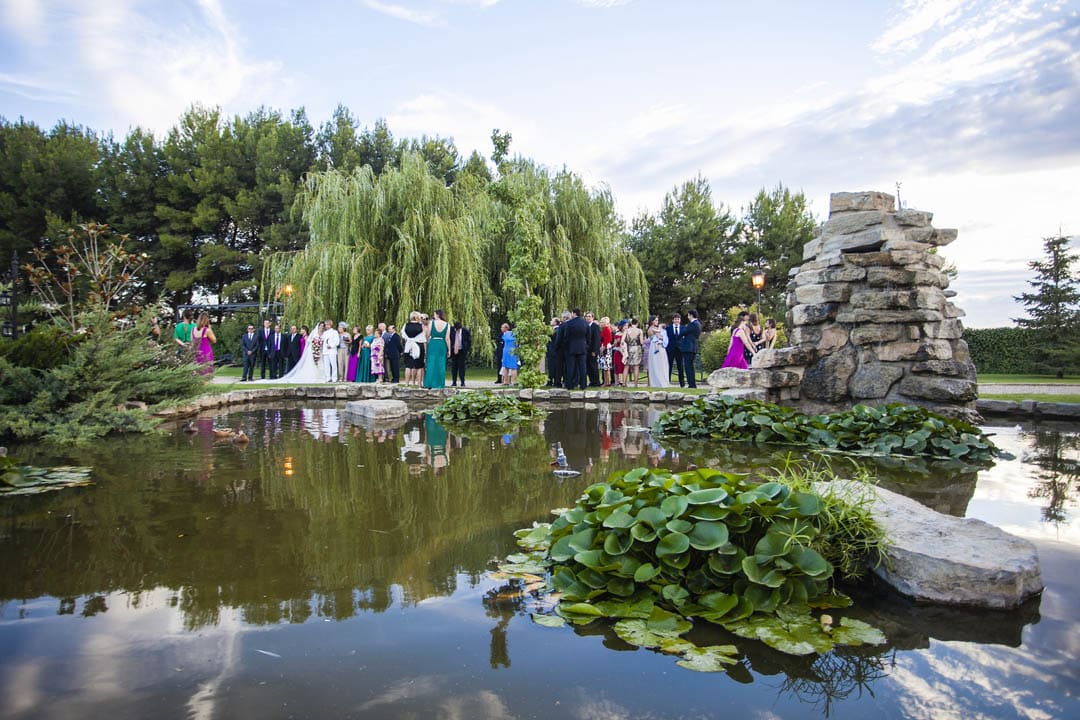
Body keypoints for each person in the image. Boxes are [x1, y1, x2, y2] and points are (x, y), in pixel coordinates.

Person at [562, 308, 589, 390]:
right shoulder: (585, 323)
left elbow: (566, 336)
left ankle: (570, 385)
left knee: (570, 367)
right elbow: (588, 336)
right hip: (582, 347)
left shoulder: (569, 323)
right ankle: (583, 385)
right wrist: (586, 345)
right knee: (582, 367)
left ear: (574, 313)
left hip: (571, 348)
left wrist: (566, 346)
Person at [423, 309, 449, 389]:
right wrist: (449, 350)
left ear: (437, 315)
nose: (433, 316)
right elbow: (447, 338)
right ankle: (440, 384)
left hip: (433, 343)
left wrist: (426, 340)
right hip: (442, 344)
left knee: (431, 363)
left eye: (434, 314)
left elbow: (427, 334)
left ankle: (429, 383)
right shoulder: (447, 324)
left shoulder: (432, 323)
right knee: (441, 364)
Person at [402, 312, 426, 386]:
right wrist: (425, 350)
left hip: (408, 346)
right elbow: (424, 337)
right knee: (419, 366)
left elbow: (404, 336)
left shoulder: (406, 325)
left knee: (408, 366)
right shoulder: (421, 326)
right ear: (417, 317)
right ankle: (419, 384)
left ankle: (406, 383)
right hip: (419, 345)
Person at [646, 316, 670, 388]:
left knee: (662, 363)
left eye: (658, 320)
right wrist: (660, 329)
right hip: (655, 346)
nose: (657, 321)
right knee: (657, 364)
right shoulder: (651, 329)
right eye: (656, 320)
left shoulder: (656, 329)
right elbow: (659, 336)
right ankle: (658, 382)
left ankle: (662, 380)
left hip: (659, 346)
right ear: (652, 321)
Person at [680, 310, 702, 387]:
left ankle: (691, 384)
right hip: (693, 347)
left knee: (688, 367)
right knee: (690, 366)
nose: (688, 317)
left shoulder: (693, 324)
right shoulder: (698, 323)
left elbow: (683, 332)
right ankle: (692, 383)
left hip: (689, 348)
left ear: (691, 315)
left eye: (688, 315)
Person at [621, 317, 644, 387]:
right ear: (637, 323)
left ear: (631, 323)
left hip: (629, 348)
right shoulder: (640, 331)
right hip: (637, 348)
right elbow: (641, 342)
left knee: (626, 366)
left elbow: (622, 341)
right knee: (636, 366)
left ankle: (624, 383)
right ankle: (635, 384)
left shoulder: (627, 331)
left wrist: (624, 349)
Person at [191, 312, 216, 377]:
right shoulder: (207, 330)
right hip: (206, 352)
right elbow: (214, 340)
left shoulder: (193, 330)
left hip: (196, 352)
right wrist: (210, 328)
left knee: (197, 372)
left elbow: (192, 342)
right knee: (206, 372)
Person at [449, 320, 471, 386]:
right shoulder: (452, 330)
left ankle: (462, 382)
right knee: (454, 367)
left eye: (458, 329)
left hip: (462, 351)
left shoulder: (465, 331)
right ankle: (454, 382)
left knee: (462, 366)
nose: (457, 330)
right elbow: (449, 339)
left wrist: (466, 349)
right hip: (454, 351)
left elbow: (469, 340)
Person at [666, 313, 685, 387]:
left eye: (678, 319)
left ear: (680, 320)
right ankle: (668, 382)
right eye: (675, 319)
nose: (677, 320)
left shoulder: (683, 328)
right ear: (673, 320)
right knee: (669, 366)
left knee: (680, 367)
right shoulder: (668, 328)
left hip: (680, 349)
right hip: (670, 349)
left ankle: (682, 384)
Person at [585, 312, 602, 387]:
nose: (588, 318)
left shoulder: (595, 326)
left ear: (592, 317)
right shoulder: (586, 326)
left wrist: (594, 351)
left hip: (593, 350)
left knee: (593, 366)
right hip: (586, 350)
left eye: (589, 316)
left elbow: (597, 339)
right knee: (588, 366)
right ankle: (591, 381)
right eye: (586, 316)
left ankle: (596, 381)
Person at [546, 316, 562, 387]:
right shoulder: (553, 330)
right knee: (551, 367)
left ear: (555, 322)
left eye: (552, 320)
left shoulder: (557, 330)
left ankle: (556, 381)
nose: (550, 321)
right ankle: (551, 380)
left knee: (554, 367)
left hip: (554, 352)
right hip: (551, 351)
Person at [598, 317, 614, 387]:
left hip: (606, 347)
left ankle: (606, 382)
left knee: (606, 366)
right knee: (606, 366)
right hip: (606, 346)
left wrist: (603, 348)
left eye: (601, 322)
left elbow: (607, 339)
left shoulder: (606, 329)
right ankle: (607, 381)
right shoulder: (606, 329)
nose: (600, 323)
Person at [611, 320, 625, 386]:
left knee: (623, 366)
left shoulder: (627, 333)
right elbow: (614, 343)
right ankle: (617, 381)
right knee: (617, 366)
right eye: (625, 326)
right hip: (618, 351)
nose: (626, 327)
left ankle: (623, 381)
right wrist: (616, 342)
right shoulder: (617, 333)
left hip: (624, 352)